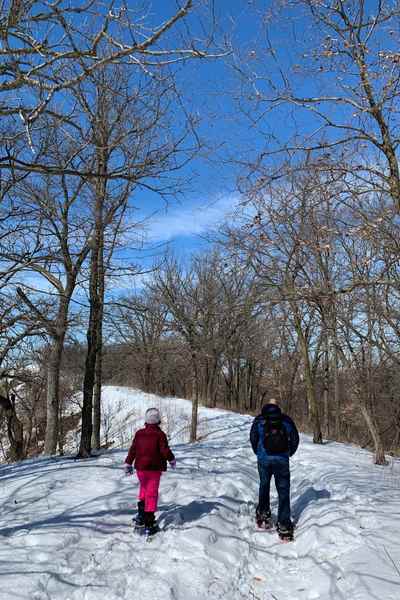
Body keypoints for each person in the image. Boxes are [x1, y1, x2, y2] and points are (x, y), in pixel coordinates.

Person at [250, 399, 299, 538]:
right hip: (282, 461)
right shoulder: (286, 420)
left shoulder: (260, 420)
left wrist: (258, 452)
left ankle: (263, 514)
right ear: (278, 407)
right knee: (283, 491)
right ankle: (284, 525)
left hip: (264, 460)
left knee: (264, 485)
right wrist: (289, 453)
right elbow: (295, 439)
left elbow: (253, 437)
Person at [124, 407, 176, 535]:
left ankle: (141, 516)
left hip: (141, 469)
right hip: (153, 469)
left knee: (144, 490)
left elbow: (133, 449)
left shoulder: (139, 433)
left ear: (146, 420)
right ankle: (149, 523)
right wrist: (172, 459)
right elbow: (164, 450)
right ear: (158, 421)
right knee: (151, 494)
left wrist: (128, 462)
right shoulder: (160, 434)